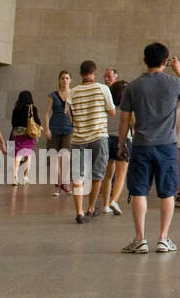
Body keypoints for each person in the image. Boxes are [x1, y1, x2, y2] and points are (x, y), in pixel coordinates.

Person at [118, 43, 180, 254]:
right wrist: (178, 70)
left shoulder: (133, 87)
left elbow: (124, 120)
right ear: (165, 61)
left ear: (145, 60)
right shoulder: (172, 83)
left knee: (138, 191)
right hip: (166, 146)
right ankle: (163, 238)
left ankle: (139, 239)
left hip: (141, 144)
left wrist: (121, 143)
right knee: (167, 192)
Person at [68, 60, 115, 223]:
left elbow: (70, 118)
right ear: (94, 73)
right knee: (97, 175)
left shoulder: (72, 92)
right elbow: (112, 111)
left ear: (81, 74)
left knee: (78, 177)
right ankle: (91, 208)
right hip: (98, 137)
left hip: (78, 138)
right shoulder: (103, 89)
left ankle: (79, 212)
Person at [97, 76, 129, 215]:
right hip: (122, 140)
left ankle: (105, 205)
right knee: (121, 174)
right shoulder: (126, 106)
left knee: (107, 175)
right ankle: (114, 200)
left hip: (106, 139)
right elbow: (132, 122)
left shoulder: (108, 105)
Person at [42, 70, 74, 196]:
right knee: (54, 158)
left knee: (65, 157)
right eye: (62, 78)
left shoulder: (73, 94)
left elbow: (76, 112)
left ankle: (65, 183)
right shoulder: (52, 95)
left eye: (67, 78)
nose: (64, 80)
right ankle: (57, 184)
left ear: (70, 80)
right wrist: (47, 128)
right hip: (54, 129)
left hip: (68, 129)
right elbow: (46, 112)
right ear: (59, 80)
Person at [10, 91, 40, 185]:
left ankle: (14, 178)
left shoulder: (16, 109)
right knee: (28, 156)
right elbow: (37, 121)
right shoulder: (32, 108)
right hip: (28, 135)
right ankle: (25, 177)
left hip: (16, 134)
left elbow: (13, 123)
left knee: (17, 156)